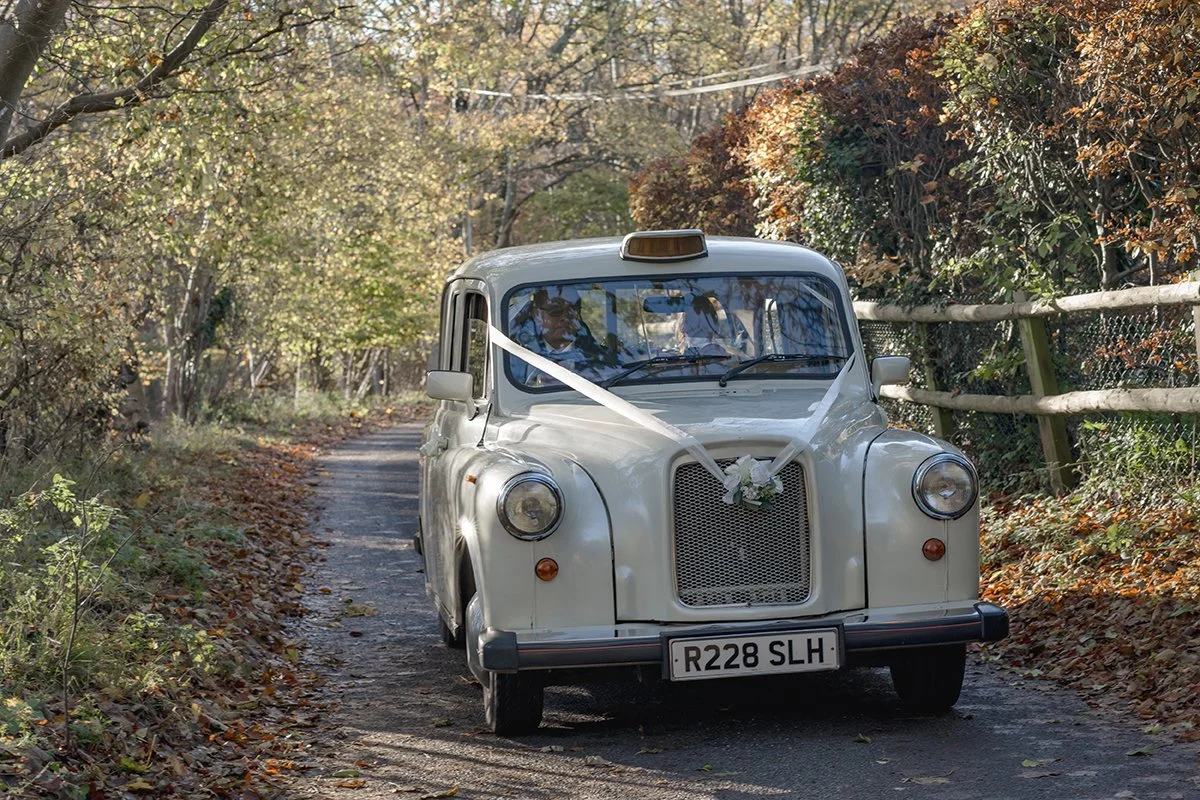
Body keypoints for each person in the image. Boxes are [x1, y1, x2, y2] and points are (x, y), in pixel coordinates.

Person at [508, 286, 609, 386]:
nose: (565, 317)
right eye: (555, 311)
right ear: (536, 314)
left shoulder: (603, 359)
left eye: (572, 310)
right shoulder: (515, 360)